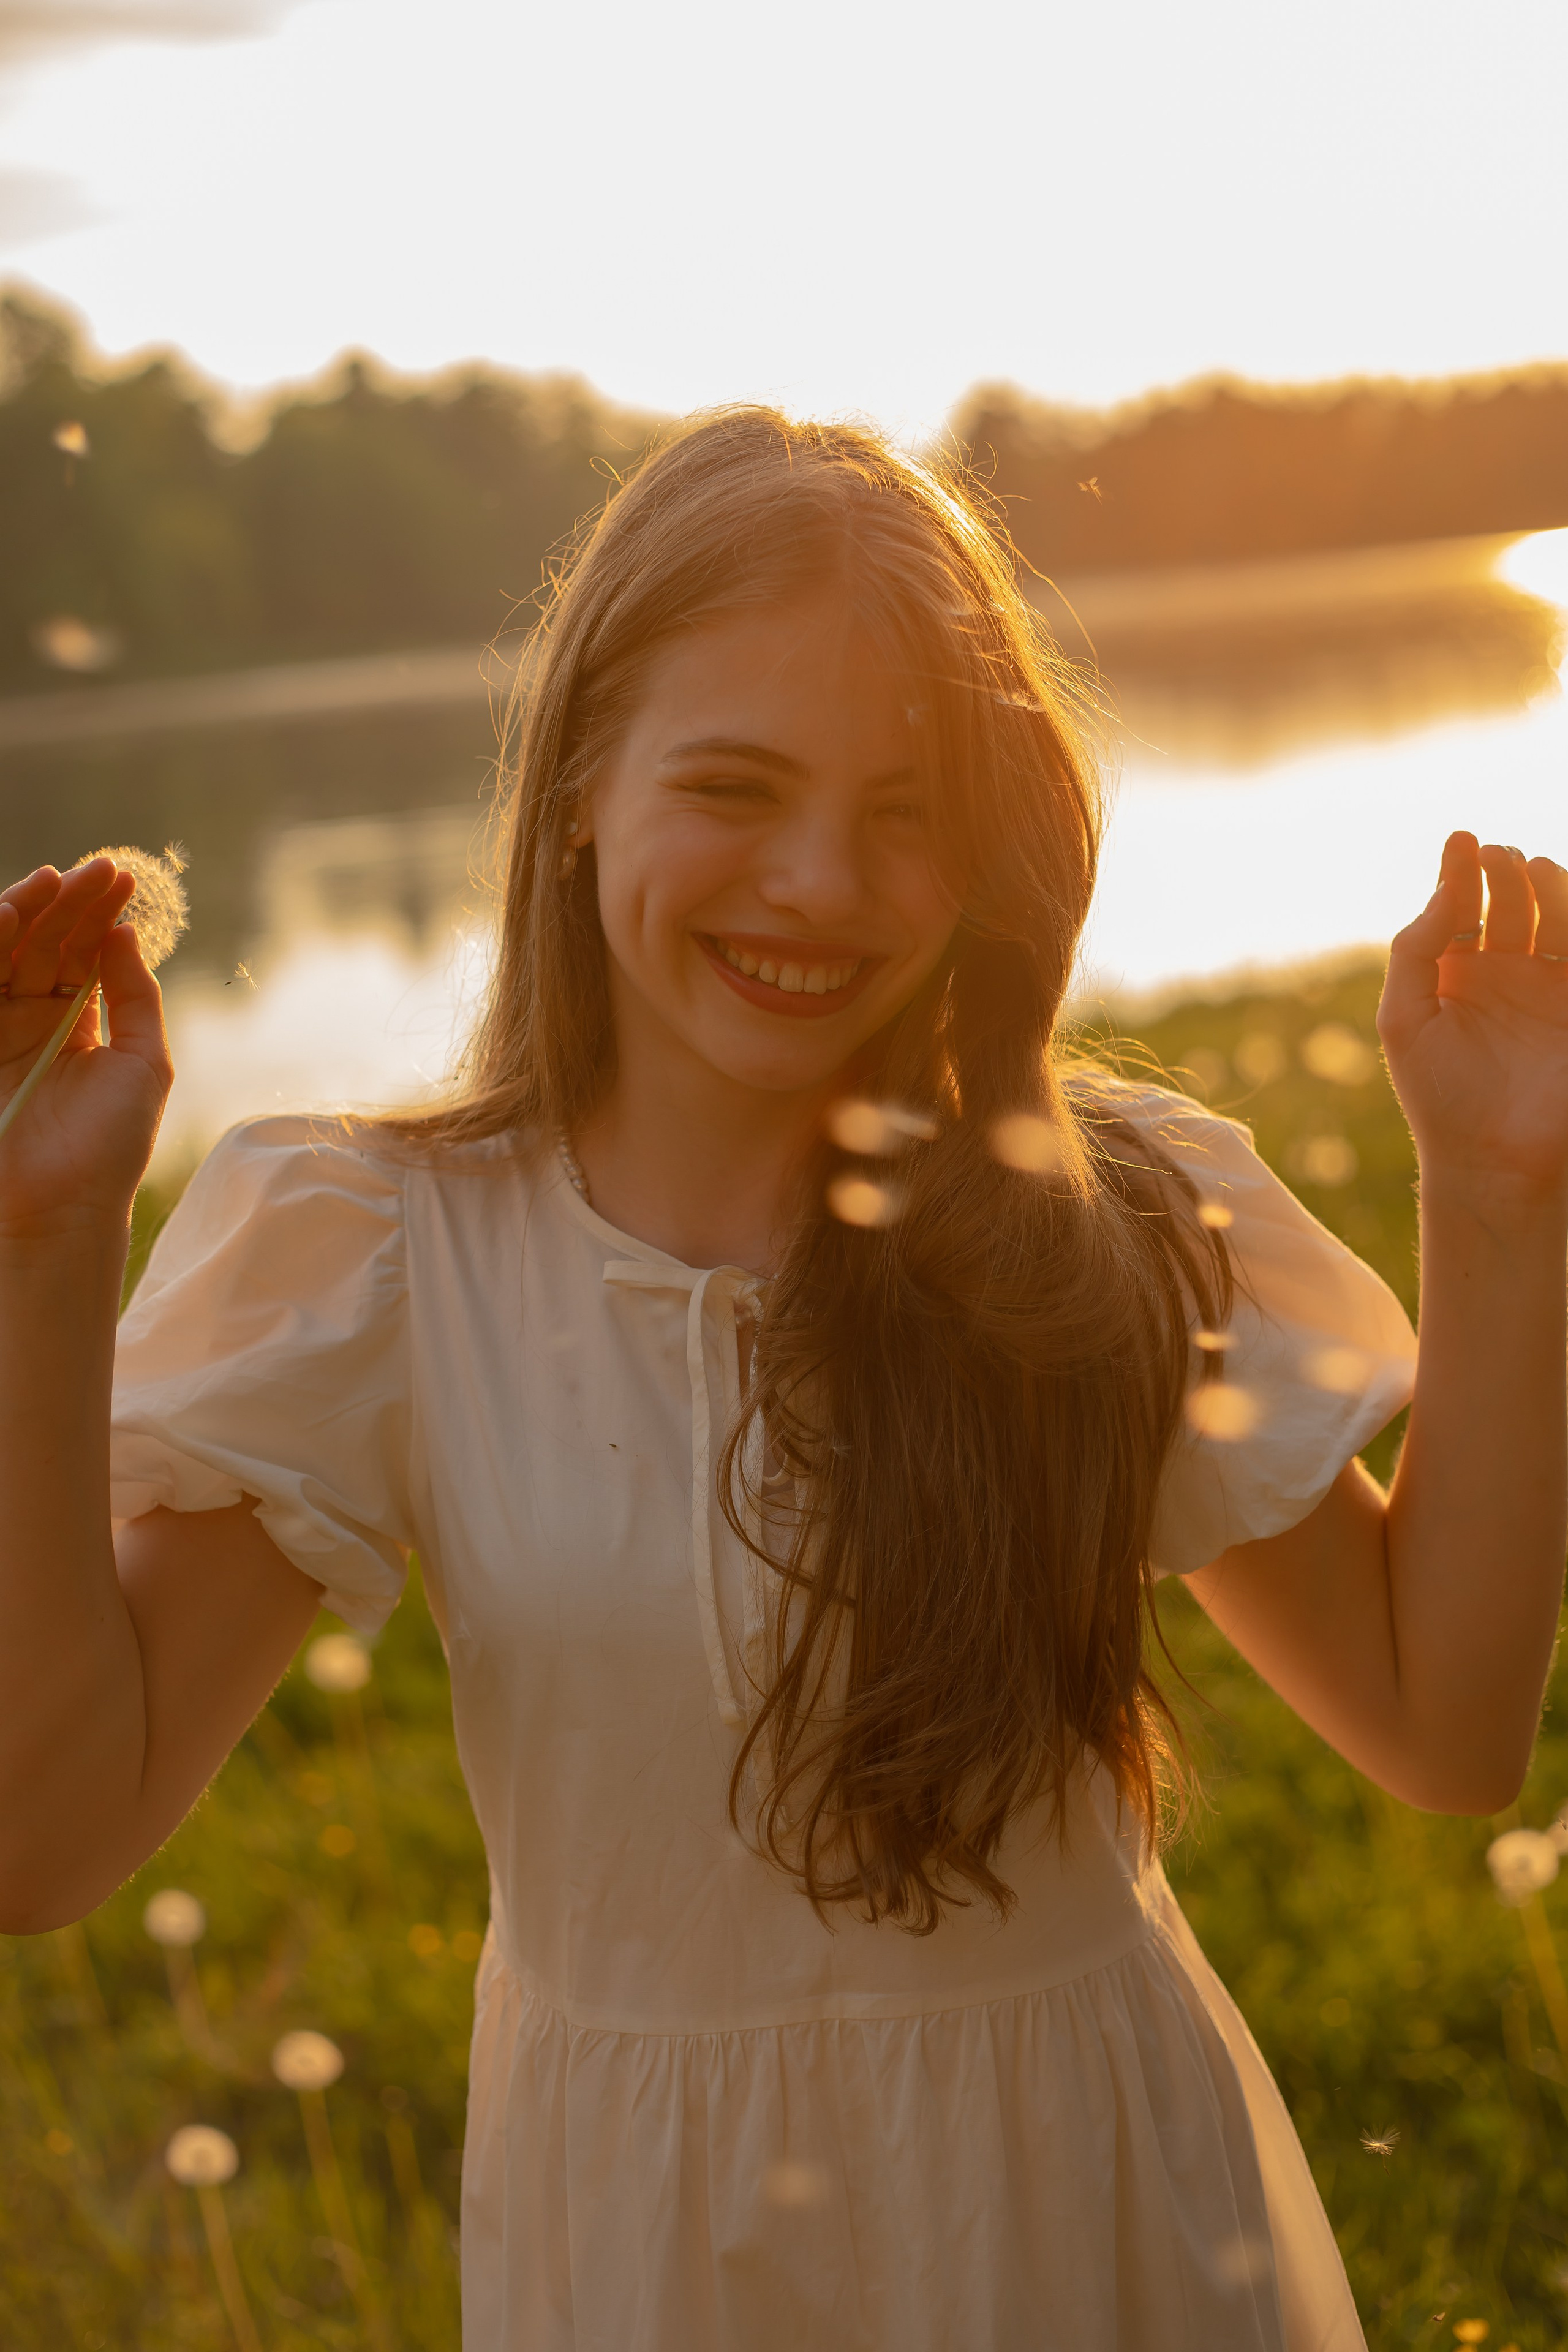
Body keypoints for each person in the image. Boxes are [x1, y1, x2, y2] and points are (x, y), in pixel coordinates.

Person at [2, 412, 1565, 2352]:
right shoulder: (388, 1255)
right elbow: (40, 1835)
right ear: (579, 784)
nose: (822, 881)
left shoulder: (1091, 1226)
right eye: (735, 785)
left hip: (1095, 2221)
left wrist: (1506, 1196)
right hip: (652, 2262)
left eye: (909, 809)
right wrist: (37, 1252)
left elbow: (1445, 1727)